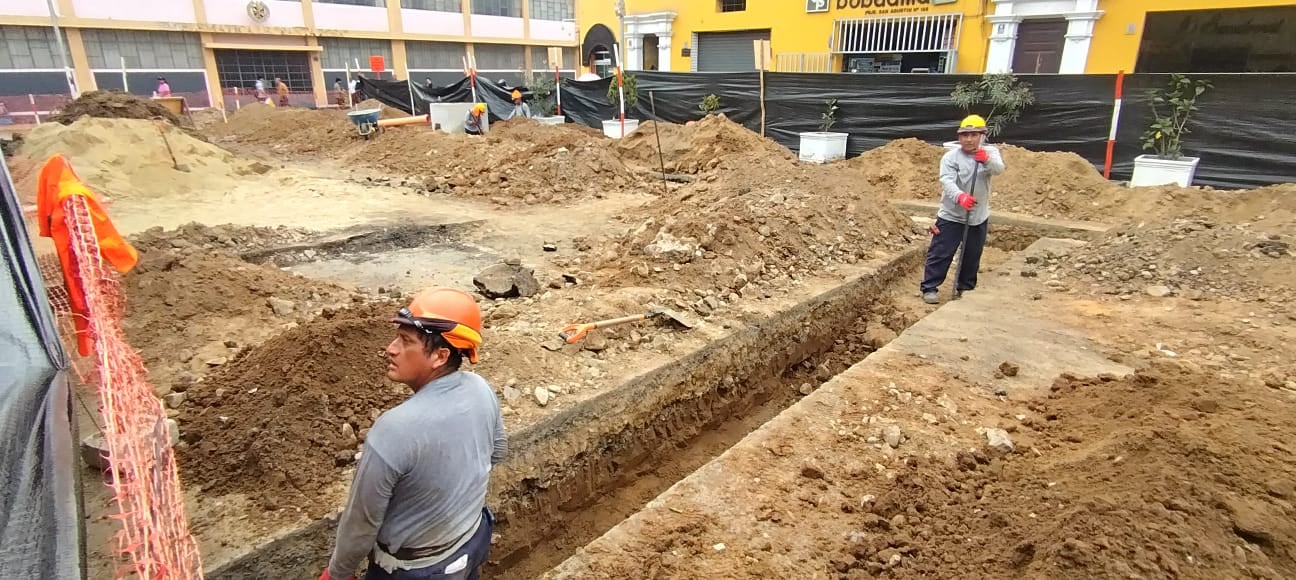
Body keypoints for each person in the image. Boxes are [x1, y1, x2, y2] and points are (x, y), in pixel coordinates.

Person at [321, 288, 507, 580]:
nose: (391, 348)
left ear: (440, 355)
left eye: (406, 341)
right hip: (471, 542)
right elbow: (496, 453)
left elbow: (361, 524)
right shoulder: (480, 388)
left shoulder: (394, 430)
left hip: (415, 571)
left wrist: (337, 573)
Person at [920, 114, 1006, 305]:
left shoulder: (990, 153)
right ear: (959, 137)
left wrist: (987, 161)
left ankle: (965, 287)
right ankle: (930, 287)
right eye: (965, 135)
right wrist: (960, 196)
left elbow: (999, 169)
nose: (968, 139)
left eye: (974, 135)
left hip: (978, 216)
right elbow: (946, 180)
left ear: (982, 135)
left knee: (972, 254)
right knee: (941, 252)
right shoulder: (951, 157)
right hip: (951, 215)